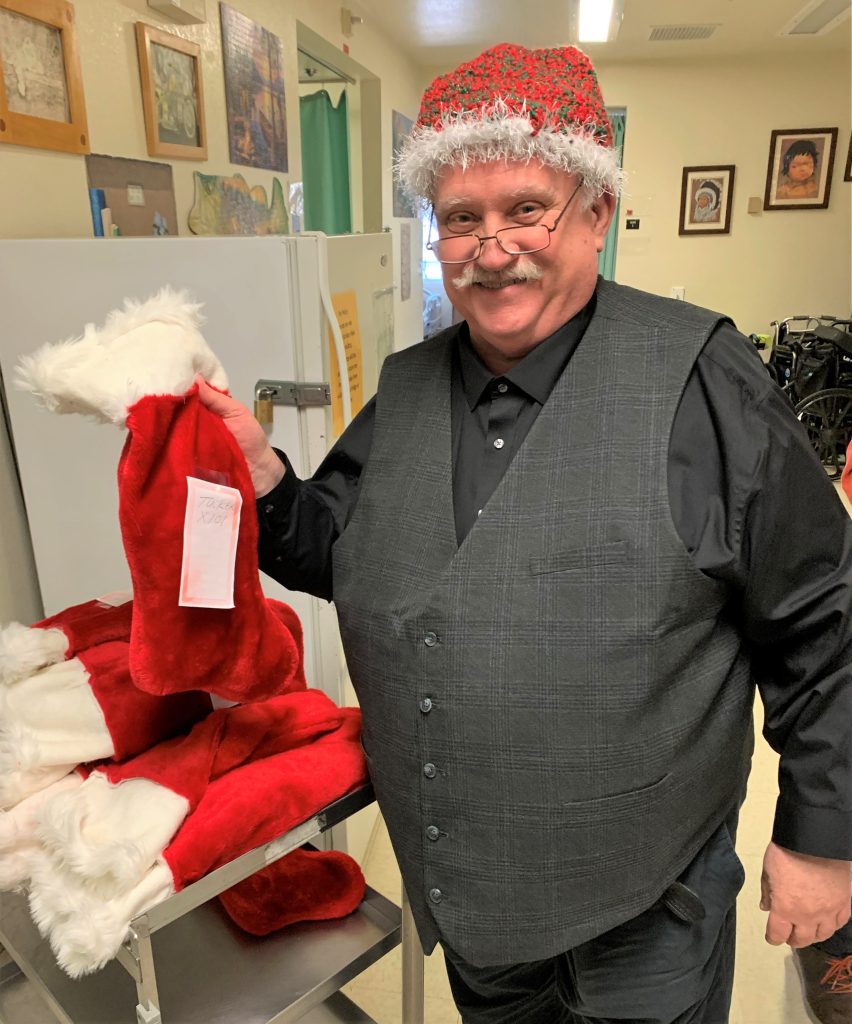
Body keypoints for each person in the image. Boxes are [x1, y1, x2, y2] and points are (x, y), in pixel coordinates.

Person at [200, 43, 852, 1024]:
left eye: (525, 209)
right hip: (474, 908)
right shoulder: (409, 386)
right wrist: (262, 477)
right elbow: (341, 551)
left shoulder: (701, 378)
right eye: (462, 217)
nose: (490, 245)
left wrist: (822, 834)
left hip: (647, 909)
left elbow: (820, 616)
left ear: (594, 213)